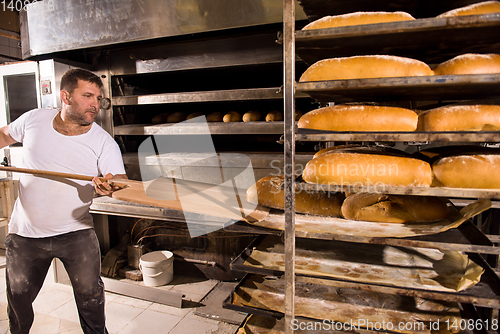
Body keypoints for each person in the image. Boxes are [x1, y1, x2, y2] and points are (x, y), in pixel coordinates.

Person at [0, 68, 128, 334]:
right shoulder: (34, 120)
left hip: (76, 233)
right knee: (18, 298)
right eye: (88, 95)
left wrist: (110, 184)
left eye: (98, 97)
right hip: (25, 234)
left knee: (91, 298)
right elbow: (4, 135)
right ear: (66, 96)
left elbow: (118, 178)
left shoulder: (103, 142)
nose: (95, 103)